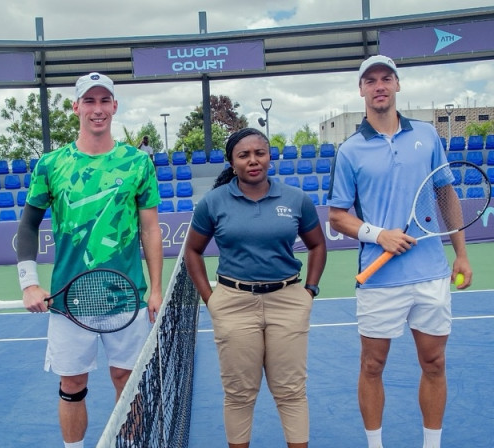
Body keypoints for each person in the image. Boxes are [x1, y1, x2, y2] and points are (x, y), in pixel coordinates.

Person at [326, 55, 472, 448]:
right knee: (372, 366)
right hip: (380, 279)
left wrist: (461, 253)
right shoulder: (350, 151)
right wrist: (378, 235)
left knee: (434, 363)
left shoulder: (426, 135)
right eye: (370, 80)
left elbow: (446, 194)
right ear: (361, 90)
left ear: (397, 85)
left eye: (386, 78)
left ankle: (432, 444)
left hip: (431, 274)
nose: (379, 86)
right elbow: (338, 216)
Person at [15, 72, 163, 448]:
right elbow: (28, 226)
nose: (97, 109)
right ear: (76, 107)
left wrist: (156, 289)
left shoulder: (138, 163)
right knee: (72, 384)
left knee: (127, 383)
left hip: (125, 296)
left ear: (114, 106)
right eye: (89, 101)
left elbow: (150, 230)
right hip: (69, 299)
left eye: (104, 101)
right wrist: (28, 282)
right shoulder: (51, 164)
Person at [184, 128, 327, 448]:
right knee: (238, 395)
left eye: (259, 153)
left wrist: (309, 291)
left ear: (269, 157)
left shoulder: (296, 199)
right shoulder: (212, 202)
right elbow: (192, 251)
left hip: (288, 301)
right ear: (232, 163)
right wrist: (212, 300)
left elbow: (318, 245)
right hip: (232, 304)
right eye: (243, 155)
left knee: (291, 392)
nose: (253, 161)